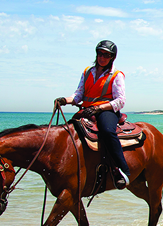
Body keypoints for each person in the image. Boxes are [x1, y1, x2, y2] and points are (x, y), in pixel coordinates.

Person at [55, 40, 130, 189]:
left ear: (112, 58)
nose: (102, 57)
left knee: (108, 132)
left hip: (107, 111)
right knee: (67, 132)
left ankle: (122, 170)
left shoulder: (116, 75)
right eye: (100, 54)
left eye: (106, 55)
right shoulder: (87, 72)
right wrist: (65, 100)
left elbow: (120, 101)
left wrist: (99, 108)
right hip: (87, 110)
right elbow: (78, 95)